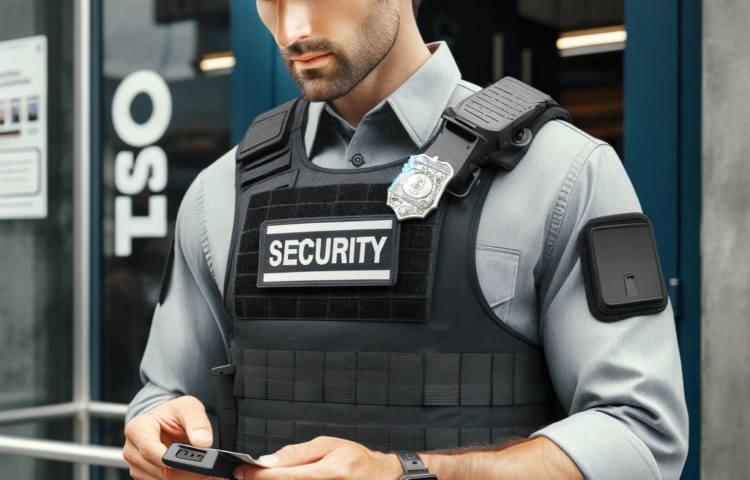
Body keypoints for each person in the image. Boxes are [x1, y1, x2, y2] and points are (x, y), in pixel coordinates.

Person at [123, 0, 689, 479]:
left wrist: (408, 471)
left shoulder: (565, 172)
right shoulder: (217, 192)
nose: (292, 28)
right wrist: (156, 431)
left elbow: (642, 437)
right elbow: (163, 397)